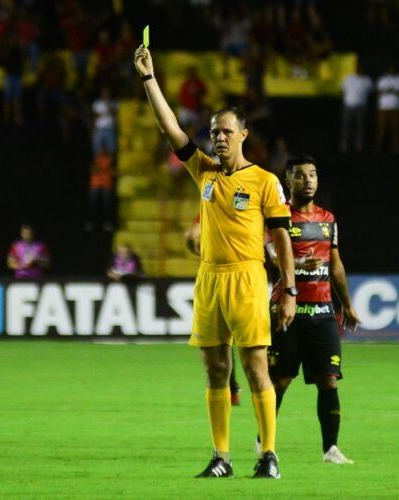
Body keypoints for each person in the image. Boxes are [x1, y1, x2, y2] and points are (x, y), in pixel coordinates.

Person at [134, 44, 296, 479]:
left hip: (247, 278)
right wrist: (149, 77)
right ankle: (221, 457)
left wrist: (289, 290)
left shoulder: (264, 180)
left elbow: (282, 238)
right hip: (209, 279)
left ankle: (268, 455)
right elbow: (170, 128)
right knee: (215, 369)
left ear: (243, 134)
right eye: (214, 131)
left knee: (255, 366)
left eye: (226, 131)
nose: (218, 137)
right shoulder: (203, 171)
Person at [264, 155, 359, 465]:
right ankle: (264, 442)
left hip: (322, 312)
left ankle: (331, 449)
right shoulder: (279, 217)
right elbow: (271, 254)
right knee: (280, 381)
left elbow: (336, 264)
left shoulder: (328, 219)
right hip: (288, 311)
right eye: (301, 175)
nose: (308, 180)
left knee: (328, 379)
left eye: (313, 175)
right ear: (288, 181)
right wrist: (295, 263)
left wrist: (347, 303)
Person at [185, 216, 242, 406]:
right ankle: (233, 390)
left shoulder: (211, 210)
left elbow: (192, 235)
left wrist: (193, 240)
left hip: (236, 277)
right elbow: (193, 235)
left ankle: (233, 390)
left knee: (226, 342)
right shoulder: (211, 208)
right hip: (229, 277)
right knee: (229, 342)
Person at [340, 62, 372, 153]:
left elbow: (370, 91)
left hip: (361, 107)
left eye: (360, 69)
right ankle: (344, 143)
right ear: (355, 69)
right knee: (346, 126)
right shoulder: (348, 78)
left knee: (360, 126)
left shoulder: (367, 80)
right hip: (349, 106)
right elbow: (343, 90)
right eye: (357, 68)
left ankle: (359, 144)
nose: (359, 70)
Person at [375, 65, 399, 154]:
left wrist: (389, 91)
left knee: (396, 129)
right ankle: (379, 147)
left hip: (397, 108)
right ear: (388, 70)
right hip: (383, 108)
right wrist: (392, 91)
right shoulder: (383, 79)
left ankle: (396, 148)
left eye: (393, 70)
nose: (391, 71)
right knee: (381, 129)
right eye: (390, 70)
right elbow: (378, 92)